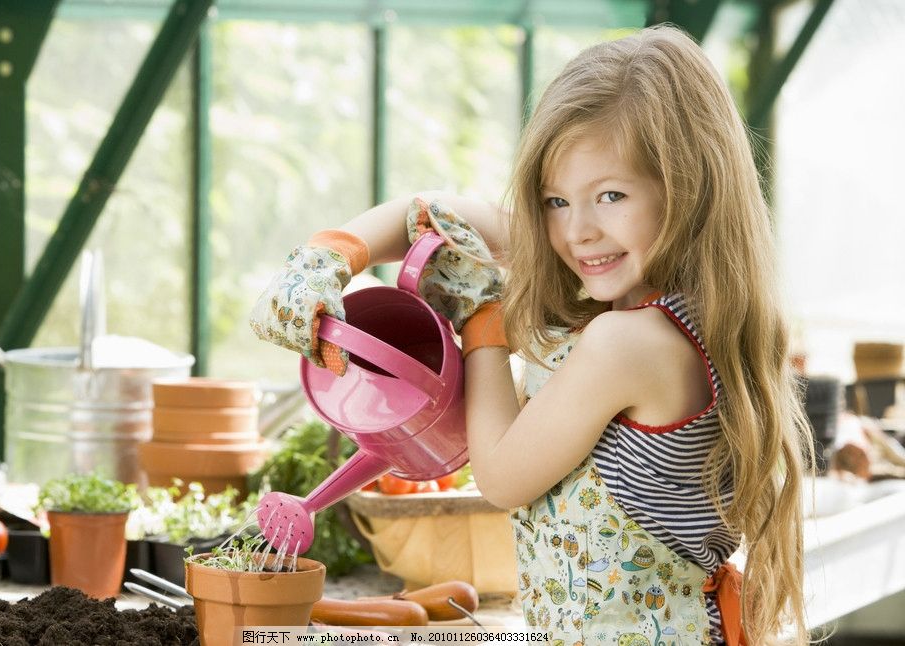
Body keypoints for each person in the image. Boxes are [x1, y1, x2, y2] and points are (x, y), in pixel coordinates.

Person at [250, 25, 812, 645]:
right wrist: (330, 255)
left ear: (688, 188)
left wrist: (483, 322)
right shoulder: (680, 303)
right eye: (554, 201)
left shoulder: (629, 344)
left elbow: (502, 475)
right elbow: (437, 213)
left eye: (611, 195)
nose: (579, 233)